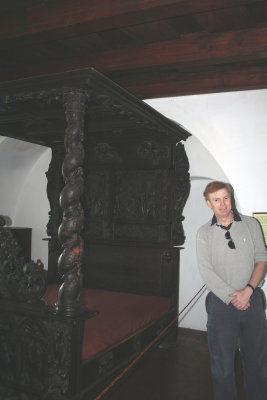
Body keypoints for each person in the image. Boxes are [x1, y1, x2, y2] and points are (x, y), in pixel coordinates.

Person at [196, 181, 267, 400]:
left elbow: (262, 259)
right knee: (222, 363)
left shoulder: (251, 224)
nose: (222, 204)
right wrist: (232, 297)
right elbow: (207, 272)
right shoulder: (203, 233)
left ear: (231, 198)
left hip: (252, 300)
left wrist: (247, 291)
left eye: (225, 198)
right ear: (209, 204)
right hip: (220, 304)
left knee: (256, 361)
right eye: (216, 200)